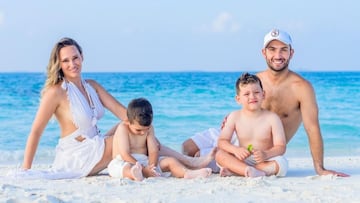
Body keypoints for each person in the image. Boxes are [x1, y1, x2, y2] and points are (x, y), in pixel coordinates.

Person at [21, 37, 213, 179]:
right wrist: (26, 169)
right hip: (77, 154)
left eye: (75, 57)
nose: (72, 64)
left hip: (96, 143)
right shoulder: (56, 92)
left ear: (82, 57)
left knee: (135, 127)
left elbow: (127, 115)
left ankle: (176, 164)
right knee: (129, 135)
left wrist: (148, 129)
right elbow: (36, 132)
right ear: (59, 64)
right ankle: (188, 162)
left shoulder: (92, 86)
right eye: (66, 61)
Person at [182, 28, 349, 177]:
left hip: (264, 149)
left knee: (204, 156)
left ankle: (231, 168)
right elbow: (245, 106)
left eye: (283, 50)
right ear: (264, 53)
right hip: (236, 138)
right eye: (272, 50)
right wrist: (231, 119)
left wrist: (320, 168)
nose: (278, 55)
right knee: (187, 148)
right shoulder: (256, 81)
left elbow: (312, 128)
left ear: (291, 53)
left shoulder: (302, 88)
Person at [108, 98, 212, 181]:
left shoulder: (149, 129)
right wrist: (142, 168)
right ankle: (134, 174)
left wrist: (151, 166)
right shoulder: (123, 128)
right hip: (124, 161)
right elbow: (124, 154)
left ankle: (187, 173)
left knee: (170, 161)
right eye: (138, 130)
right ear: (128, 121)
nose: (143, 133)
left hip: (145, 161)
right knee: (125, 168)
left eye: (146, 129)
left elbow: (153, 150)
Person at [215, 73, 287, 177]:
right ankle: (248, 170)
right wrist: (236, 150)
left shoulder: (272, 118)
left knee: (281, 164)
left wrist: (266, 154)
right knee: (220, 155)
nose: (252, 96)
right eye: (246, 94)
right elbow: (222, 141)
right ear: (238, 99)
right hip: (243, 159)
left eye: (256, 92)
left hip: (265, 159)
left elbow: (281, 147)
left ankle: (238, 171)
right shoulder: (234, 117)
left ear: (263, 95)